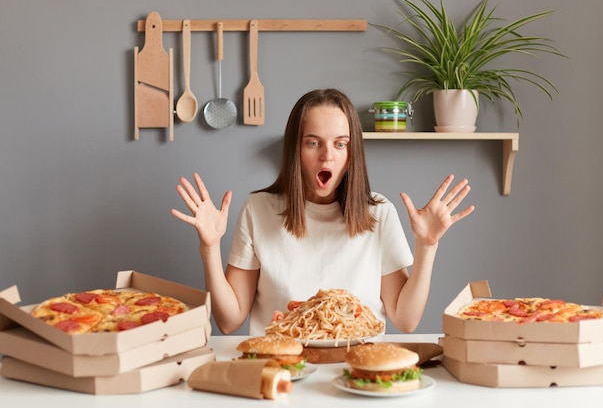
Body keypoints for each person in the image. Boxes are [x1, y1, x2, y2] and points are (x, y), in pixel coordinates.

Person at [171, 88, 475, 336]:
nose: (327, 155)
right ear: (295, 150)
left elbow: (406, 320)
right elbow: (229, 320)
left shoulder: (379, 214)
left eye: (340, 144)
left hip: (356, 372)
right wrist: (209, 248)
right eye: (313, 142)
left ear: (351, 152)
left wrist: (427, 246)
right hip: (281, 369)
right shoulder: (258, 209)